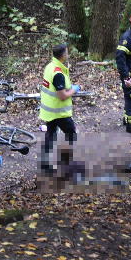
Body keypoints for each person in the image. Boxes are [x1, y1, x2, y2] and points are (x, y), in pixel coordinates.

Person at [39, 44, 81, 174]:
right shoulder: (58, 73)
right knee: (71, 134)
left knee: (50, 135)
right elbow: (62, 96)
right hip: (59, 112)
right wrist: (74, 89)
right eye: (67, 53)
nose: (68, 55)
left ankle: (45, 165)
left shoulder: (49, 66)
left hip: (49, 110)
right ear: (63, 55)